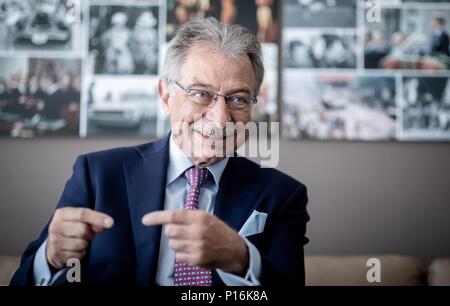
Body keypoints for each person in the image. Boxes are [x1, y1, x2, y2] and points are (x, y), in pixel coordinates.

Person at [10, 17, 309, 286]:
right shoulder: (98, 175)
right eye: (201, 94)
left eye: (238, 99)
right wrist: (50, 258)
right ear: (166, 97)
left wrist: (241, 260)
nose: (220, 118)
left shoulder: (282, 195)